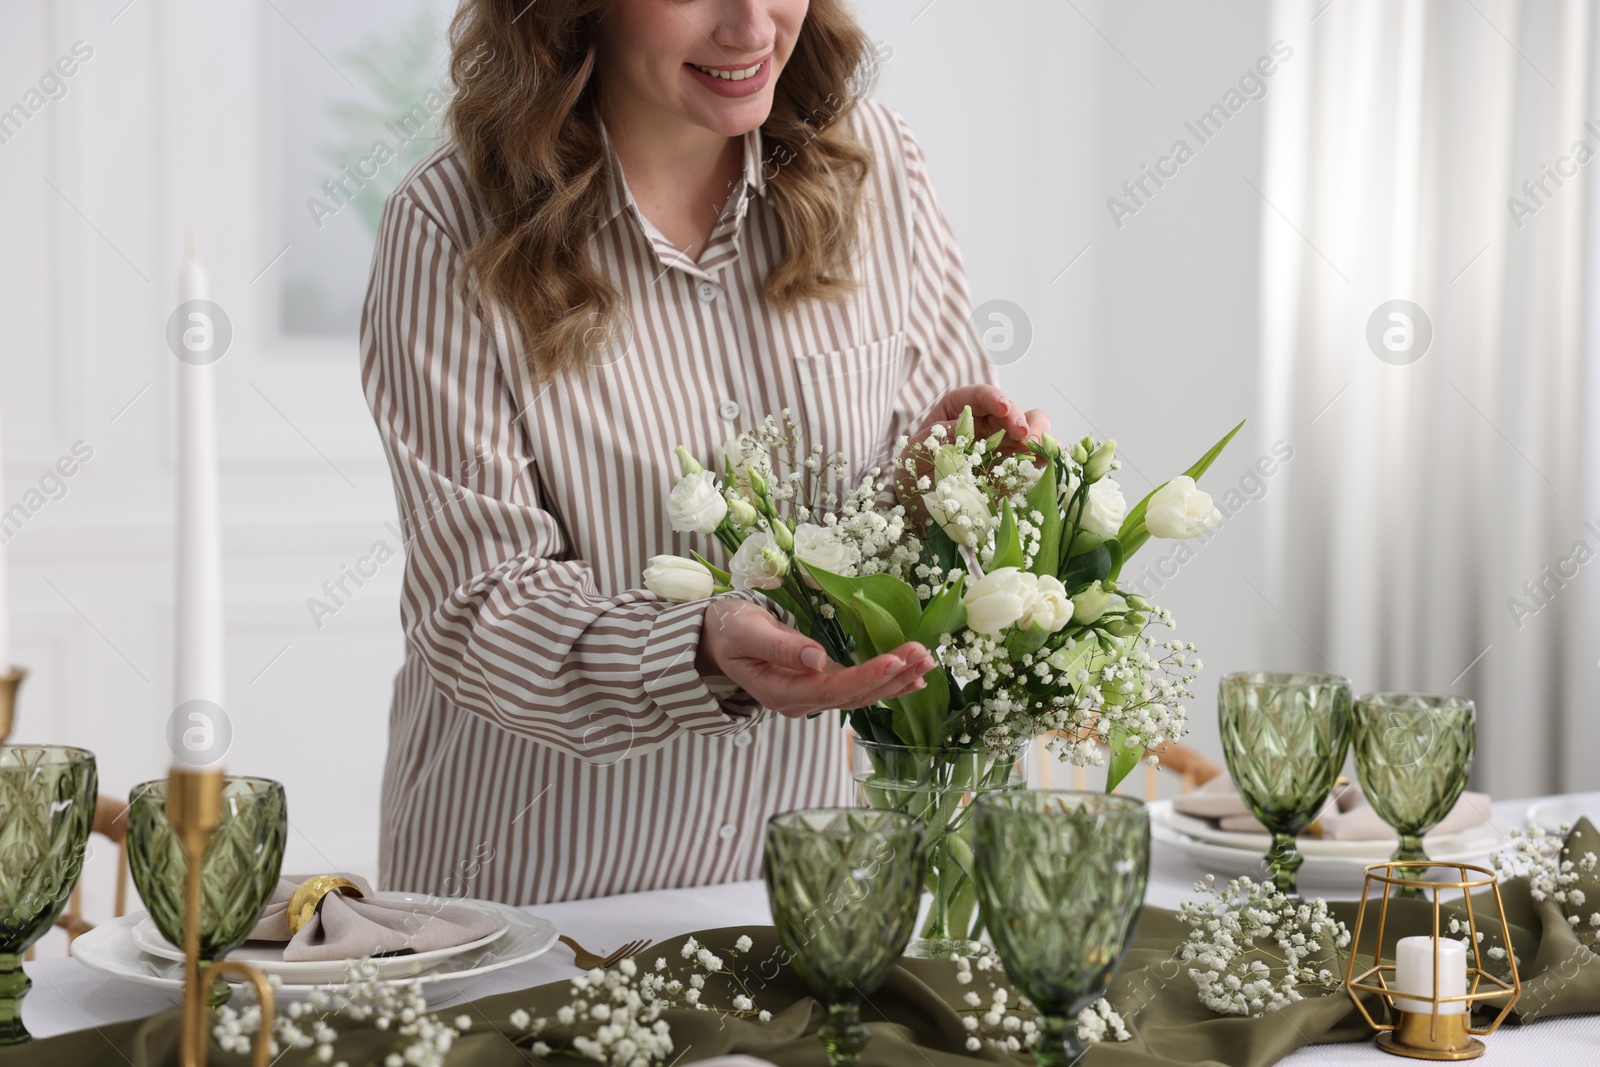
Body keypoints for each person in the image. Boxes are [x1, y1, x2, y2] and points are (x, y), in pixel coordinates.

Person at [359, 0, 1049, 905]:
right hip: (533, 901)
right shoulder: (449, 225)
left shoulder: (878, 168)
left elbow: (913, 545)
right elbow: (481, 606)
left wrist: (934, 486)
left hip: (813, 892)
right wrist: (697, 648)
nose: (753, 28)